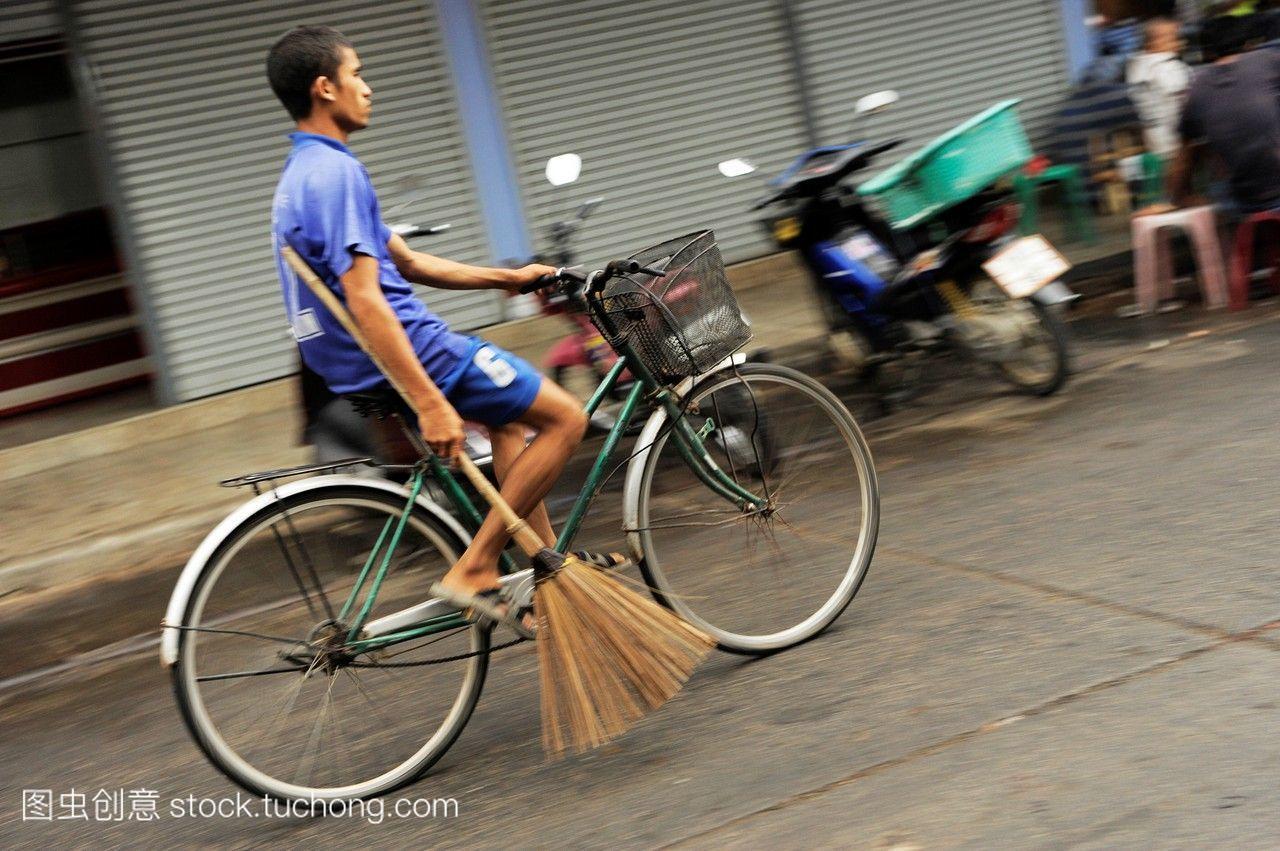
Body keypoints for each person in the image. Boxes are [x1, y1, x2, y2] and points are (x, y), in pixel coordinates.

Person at [266, 25, 606, 631]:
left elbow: (411, 262)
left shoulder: (305, 172)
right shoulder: (335, 176)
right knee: (565, 418)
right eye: (357, 75)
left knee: (508, 420)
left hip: (347, 365)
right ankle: (475, 567)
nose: (367, 89)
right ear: (325, 88)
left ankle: (542, 567)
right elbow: (367, 299)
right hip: (410, 352)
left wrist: (506, 280)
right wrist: (430, 403)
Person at [1141, 14, 1280, 215]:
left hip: (1246, 204)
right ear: (1249, 45)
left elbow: (1185, 155)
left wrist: (1178, 197)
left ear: (1206, 54)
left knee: (1215, 182)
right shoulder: (1267, 61)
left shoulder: (1196, 88)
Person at [1126, 17, 1191, 157]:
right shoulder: (1170, 68)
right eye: (1174, 37)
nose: (1180, 42)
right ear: (1155, 41)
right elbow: (1187, 108)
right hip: (1178, 148)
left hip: (1152, 148)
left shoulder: (1136, 67)